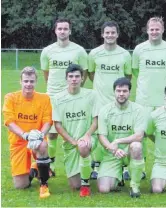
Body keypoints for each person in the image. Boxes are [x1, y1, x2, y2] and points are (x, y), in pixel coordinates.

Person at [41, 18, 89, 176]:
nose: (62, 31)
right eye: (60, 28)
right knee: (52, 132)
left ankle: (81, 164)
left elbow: (84, 73)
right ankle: (51, 165)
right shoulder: (47, 51)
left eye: (65, 28)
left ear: (70, 31)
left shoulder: (79, 50)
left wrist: (75, 91)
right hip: (54, 97)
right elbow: (46, 74)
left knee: (74, 130)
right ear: (55, 31)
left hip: (74, 97)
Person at [87, 21, 132, 180]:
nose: (110, 35)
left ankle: (125, 165)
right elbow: (91, 74)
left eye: (113, 32)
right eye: (107, 33)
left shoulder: (125, 54)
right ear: (102, 34)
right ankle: (97, 164)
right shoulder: (94, 53)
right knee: (101, 134)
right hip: (99, 101)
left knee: (121, 131)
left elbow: (127, 78)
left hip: (119, 101)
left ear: (117, 34)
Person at [3, 67, 53, 198]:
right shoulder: (11, 98)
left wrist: (40, 135)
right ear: (20, 81)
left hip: (37, 140)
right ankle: (36, 168)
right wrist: (25, 135)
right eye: (26, 81)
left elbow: (48, 121)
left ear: (36, 81)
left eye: (31, 81)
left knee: (42, 145)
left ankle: (44, 184)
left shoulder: (44, 99)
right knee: (21, 185)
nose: (28, 84)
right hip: (19, 142)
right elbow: (9, 122)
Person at [96, 78, 147, 198]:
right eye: (118, 91)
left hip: (129, 151)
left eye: (125, 91)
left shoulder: (138, 110)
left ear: (130, 92)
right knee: (104, 189)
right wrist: (113, 149)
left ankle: (135, 186)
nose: (121, 94)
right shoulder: (105, 110)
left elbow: (139, 135)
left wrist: (118, 141)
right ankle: (119, 178)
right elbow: (101, 136)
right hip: (112, 153)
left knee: (136, 145)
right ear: (114, 92)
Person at [52, 64, 98, 197]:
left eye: (77, 76)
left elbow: (96, 121)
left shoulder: (91, 95)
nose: (74, 79)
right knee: (74, 185)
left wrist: (87, 135)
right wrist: (72, 141)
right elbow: (58, 125)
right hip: (70, 144)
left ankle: (86, 185)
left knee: (83, 147)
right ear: (66, 78)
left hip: (88, 138)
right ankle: (88, 165)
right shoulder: (58, 98)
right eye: (71, 76)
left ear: (82, 78)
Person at [132, 17, 166, 110]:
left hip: (164, 100)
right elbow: (136, 71)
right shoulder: (139, 49)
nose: (154, 32)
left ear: (163, 30)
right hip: (143, 101)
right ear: (147, 30)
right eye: (151, 29)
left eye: (157, 29)